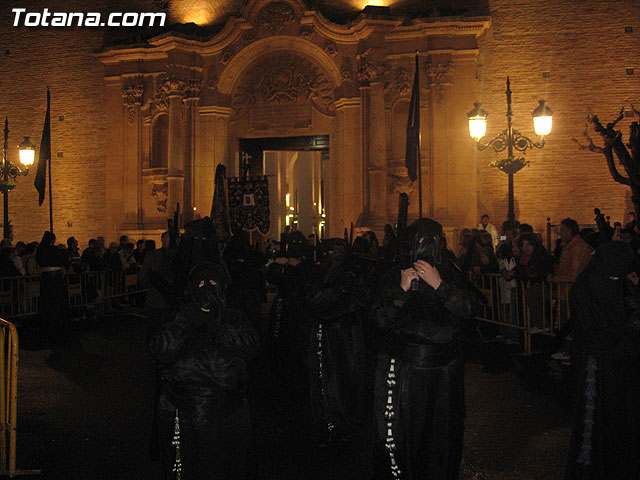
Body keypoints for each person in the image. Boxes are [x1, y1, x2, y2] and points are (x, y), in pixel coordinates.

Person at [372, 218, 477, 480]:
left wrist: (440, 285)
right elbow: (379, 320)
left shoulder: (450, 274)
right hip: (404, 371)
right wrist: (401, 291)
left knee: (440, 437)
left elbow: (467, 311)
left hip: (442, 374)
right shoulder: (394, 273)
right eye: (420, 241)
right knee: (402, 435)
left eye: (431, 240)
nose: (425, 246)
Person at [149, 262, 259, 480]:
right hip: (182, 408)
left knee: (222, 465)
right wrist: (183, 321)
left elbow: (251, 347)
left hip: (224, 410)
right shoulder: (178, 315)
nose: (207, 288)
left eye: (212, 283)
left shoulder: (234, 316)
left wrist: (220, 324)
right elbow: (161, 350)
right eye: (200, 283)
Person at [565, 241, 640, 479]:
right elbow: (588, 334)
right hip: (597, 369)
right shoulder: (585, 288)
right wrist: (626, 328)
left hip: (623, 369)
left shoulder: (622, 284)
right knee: (598, 427)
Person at [307, 238, 368, 445]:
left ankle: (347, 422)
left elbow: (360, 302)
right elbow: (316, 303)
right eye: (331, 254)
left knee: (348, 378)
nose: (334, 259)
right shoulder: (319, 274)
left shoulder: (353, 276)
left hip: (348, 336)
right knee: (327, 379)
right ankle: (329, 423)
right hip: (326, 335)